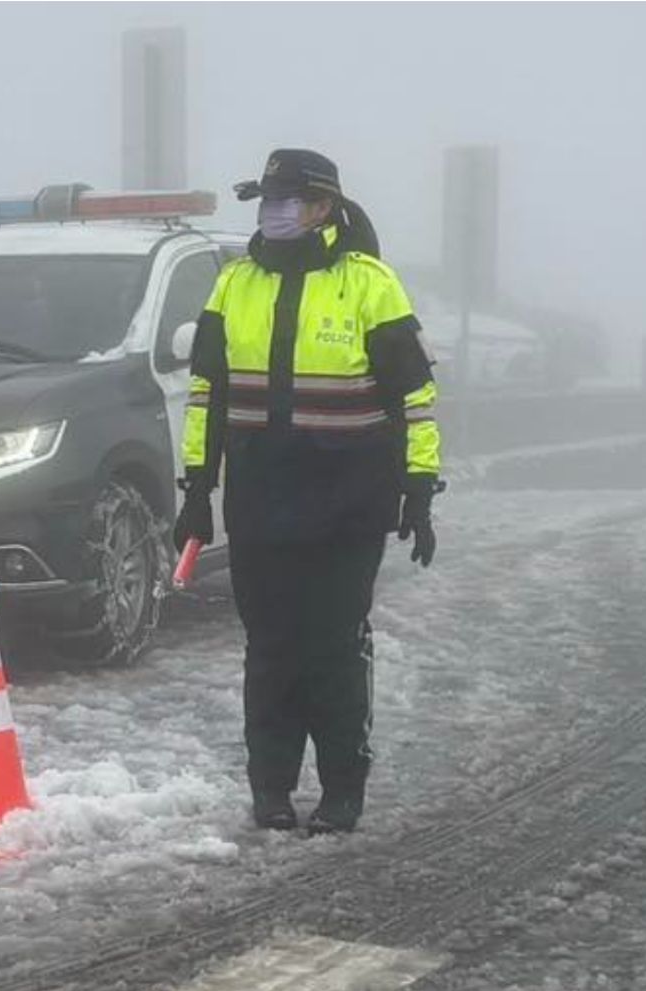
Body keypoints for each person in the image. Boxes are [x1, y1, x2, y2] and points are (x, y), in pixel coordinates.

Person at [175, 148, 441, 834]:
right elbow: (206, 393)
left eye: (288, 198)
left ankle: (342, 792)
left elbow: (414, 395)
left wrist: (418, 486)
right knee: (268, 648)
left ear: (324, 206)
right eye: (267, 198)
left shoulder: (370, 284)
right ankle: (270, 790)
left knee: (332, 646)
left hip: (347, 501)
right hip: (260, 498)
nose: (274, 210)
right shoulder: (234, 284)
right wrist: (196, 489)